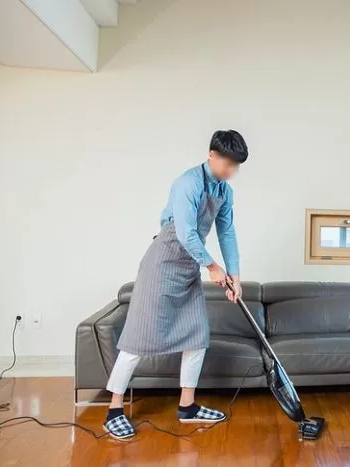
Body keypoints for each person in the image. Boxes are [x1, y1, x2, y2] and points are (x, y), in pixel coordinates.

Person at [102, 130, 247, 440]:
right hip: (164, 262)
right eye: (227, 163)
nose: (231, 171)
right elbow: (185, 233)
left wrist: (234, 274)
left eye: (237, 165)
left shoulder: (225, 191)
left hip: (188, 266)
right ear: (211, 154)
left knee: (197, 336)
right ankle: (113, 411)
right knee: (137, 339)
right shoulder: (188, 183)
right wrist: (211, 265)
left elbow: (227, 233)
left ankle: (187, 407)